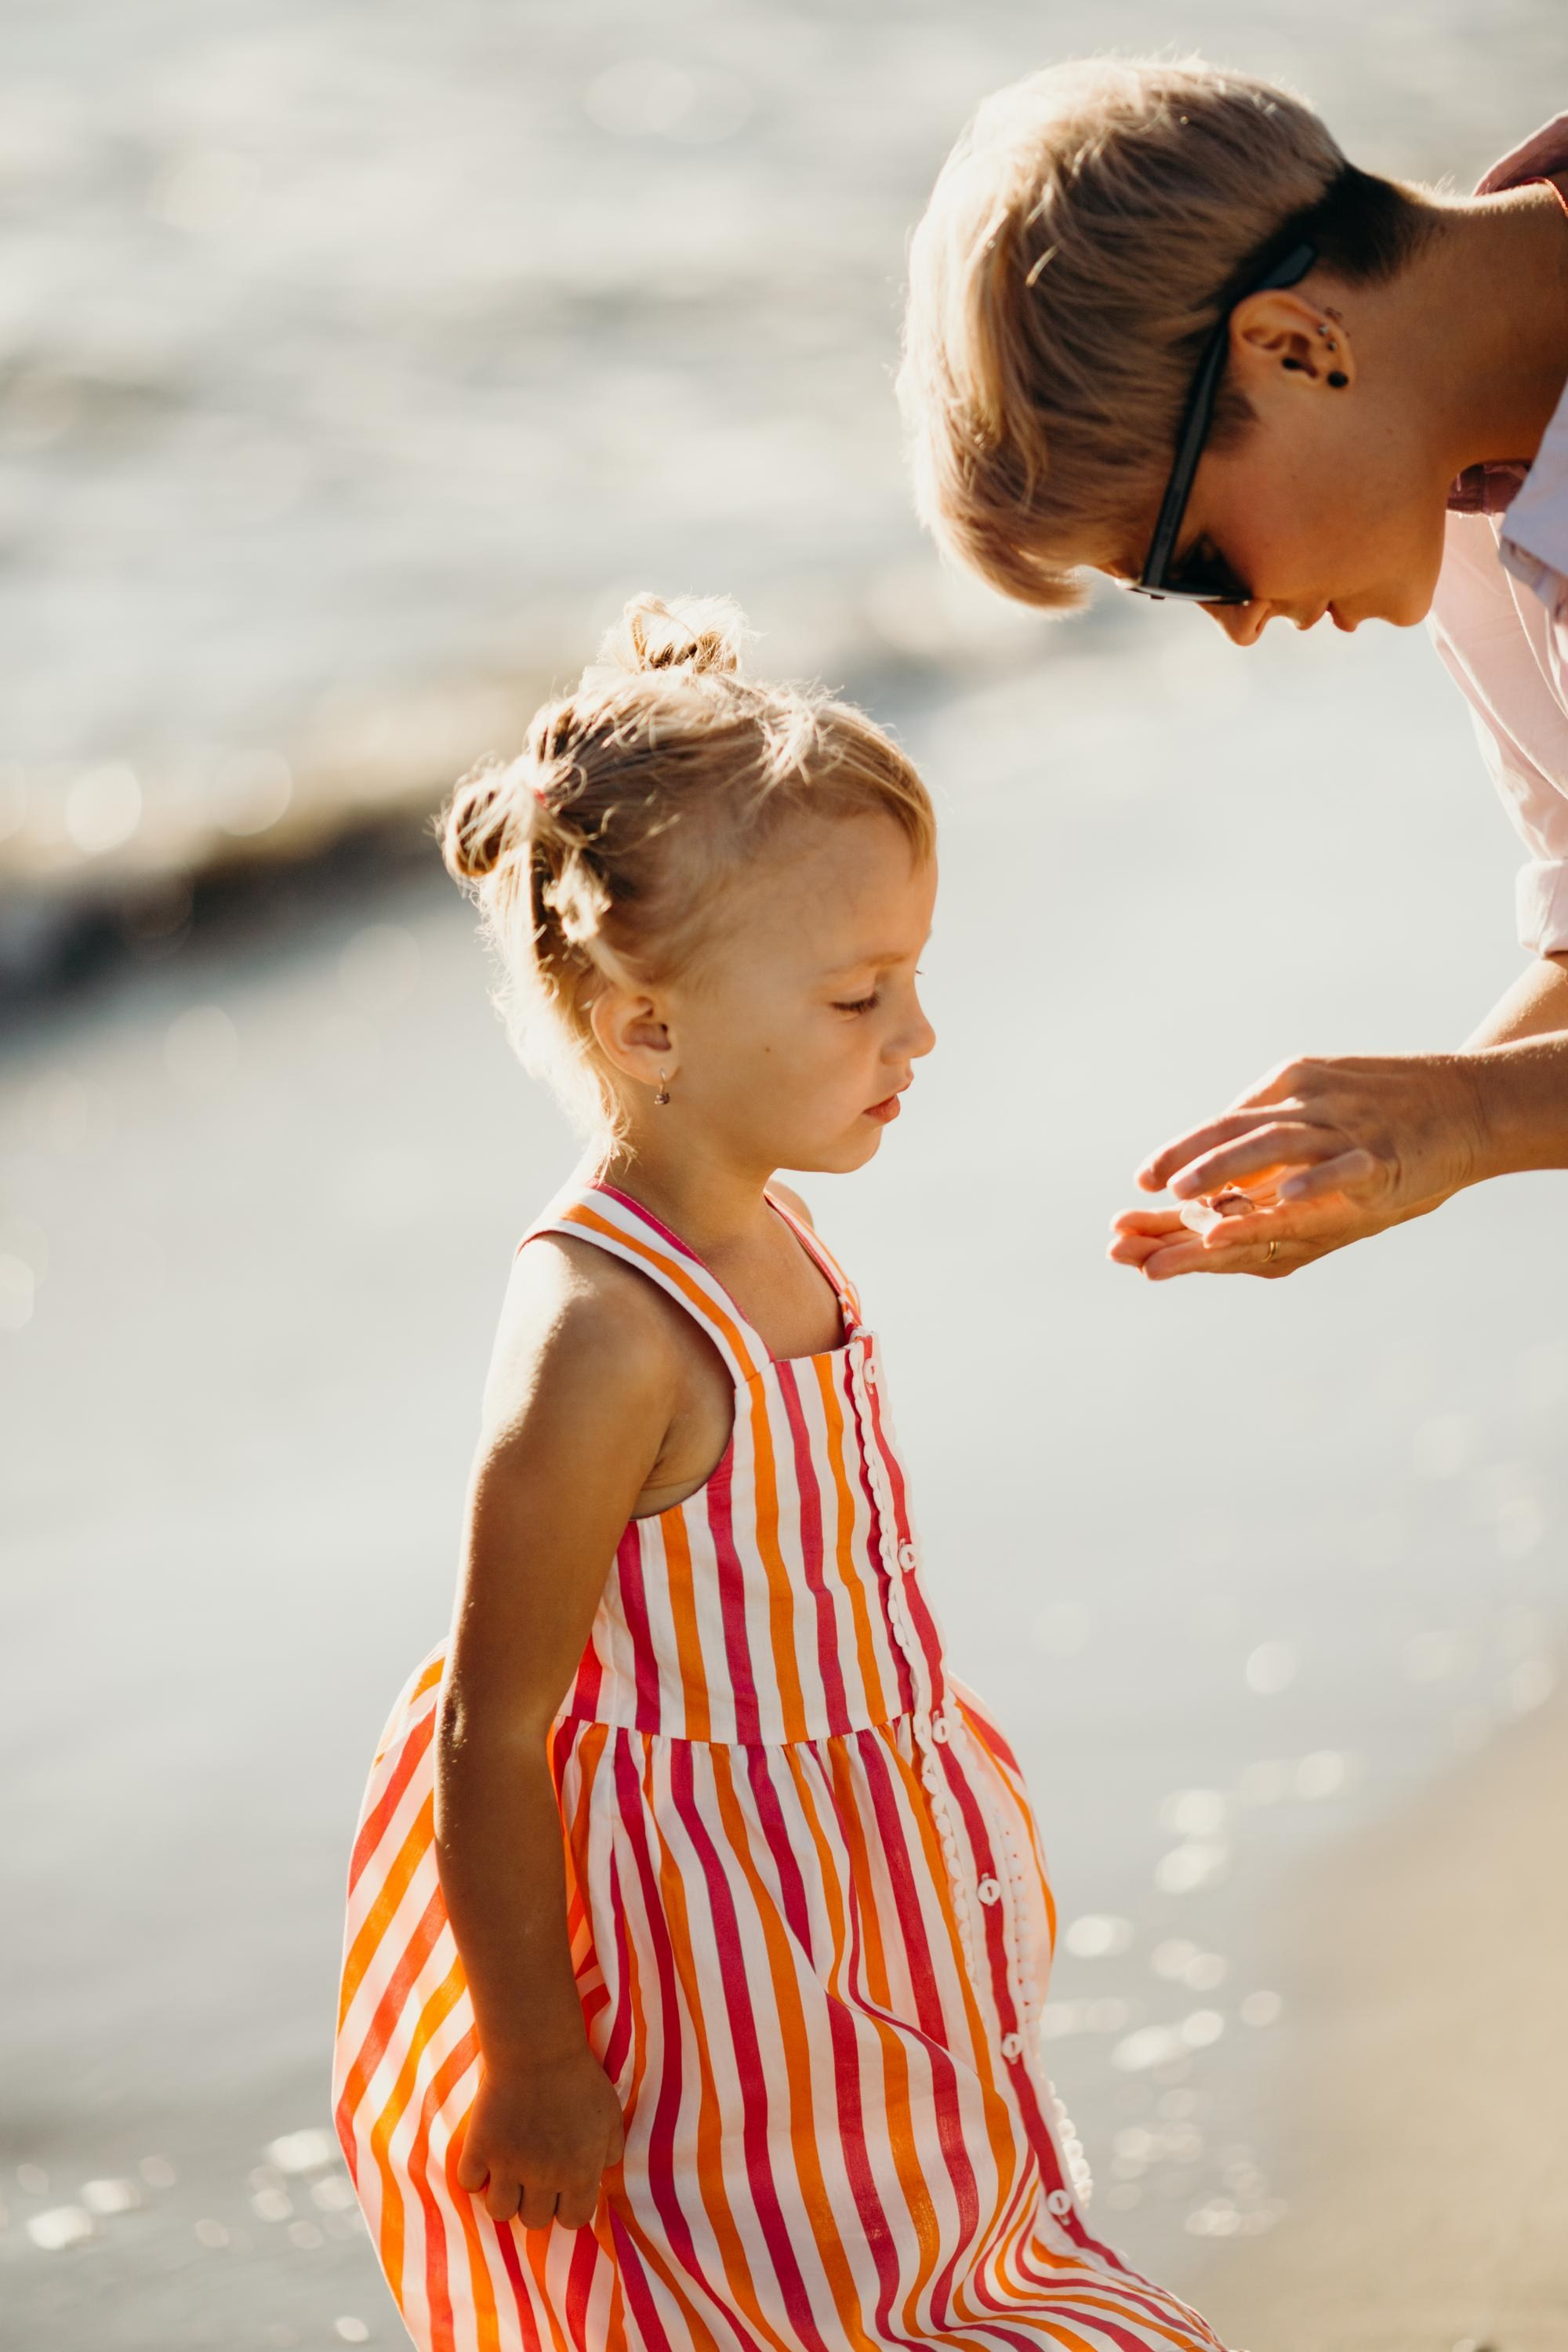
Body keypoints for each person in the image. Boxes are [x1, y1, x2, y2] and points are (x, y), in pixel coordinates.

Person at [332, 595, 1227, 2351]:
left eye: (910, 979)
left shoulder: (780, 1232)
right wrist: (533, 2064)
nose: (918, 1036)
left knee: (934, 2261)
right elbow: (489, 1724)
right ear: (646, 1025)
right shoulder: (598, 1326)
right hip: (706, 1970)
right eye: (856, 995)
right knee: (782, 2305)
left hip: (847, 1924)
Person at [899, 64, 1568, 1279]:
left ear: (1292, 348)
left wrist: (1468, 1123)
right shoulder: (1476, 498)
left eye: (1194, 563)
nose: (1242, 624)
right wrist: (1393, 1160)